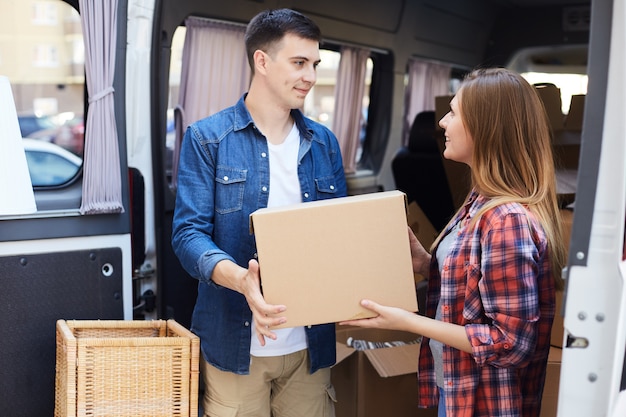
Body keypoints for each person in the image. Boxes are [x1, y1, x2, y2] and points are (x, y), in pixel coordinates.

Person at [341, 67, 567, 417]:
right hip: (458, 389)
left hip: (487, 403)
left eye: (454, 113)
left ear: (486, 127)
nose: (443, 123)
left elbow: (509, 343)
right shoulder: (480, 200)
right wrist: (426, 264)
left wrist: (407, 321)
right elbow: (479, 287)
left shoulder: (506, 220)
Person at [171, 8, 347, 417]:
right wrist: (241, 281)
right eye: (299, 63)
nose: (311, 76)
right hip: (234, 344)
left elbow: (339, 235)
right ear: (262, 61)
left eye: (315, 64)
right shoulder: (207, 139)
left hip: (310, 345)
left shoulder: (324, 143)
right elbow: (187, 235)